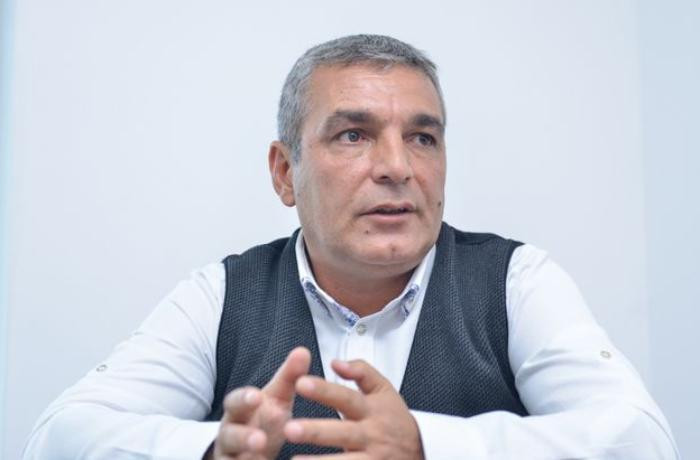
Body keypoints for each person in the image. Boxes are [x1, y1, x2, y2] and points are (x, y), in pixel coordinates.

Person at [24, 34, 678, 460]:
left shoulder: (516, 281)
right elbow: (58, 437)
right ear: (285, 173)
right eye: (354, 135)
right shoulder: (221, 295)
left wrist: (427, 445)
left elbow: (642, 441)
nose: (397, 167)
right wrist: (211, 452)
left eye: (422, 138)